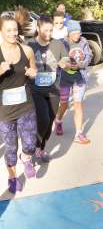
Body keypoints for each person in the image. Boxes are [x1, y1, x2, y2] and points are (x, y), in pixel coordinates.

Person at [0, 14, 38, 193]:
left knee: (30, 143)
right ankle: (12, 178)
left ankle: (27, 158)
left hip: (25, 105)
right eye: (8, 30)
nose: (13, 33)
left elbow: (34, 68)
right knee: (10, 147)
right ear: (1, 31)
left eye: (15, 29)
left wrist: (33, 72)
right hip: (5, 111)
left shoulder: (27, 50)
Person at [28, 16, 68, 163]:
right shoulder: (30, 45)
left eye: (51, 30)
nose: (49, 33)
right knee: (43, 119)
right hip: (35, 89)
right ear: (38, 29)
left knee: (50, 120)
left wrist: (65, 63)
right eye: (45, 30)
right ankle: (35, 146)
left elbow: (66, 60)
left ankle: (41, 149)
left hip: (53, 89)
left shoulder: (58, 44)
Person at [54, 20, 92, 144]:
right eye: (75, 33)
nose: (77, 35)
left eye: (79, 32)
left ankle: (79, 134)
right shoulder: (62, 42)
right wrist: (64, 65)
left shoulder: (84, 41)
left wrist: (80, 65)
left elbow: (88, 56)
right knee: (64, 104)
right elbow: (56, 60)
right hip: (64, 79)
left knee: (78, 104)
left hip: (79, 78)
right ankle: (58, 121)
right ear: (69, 33)